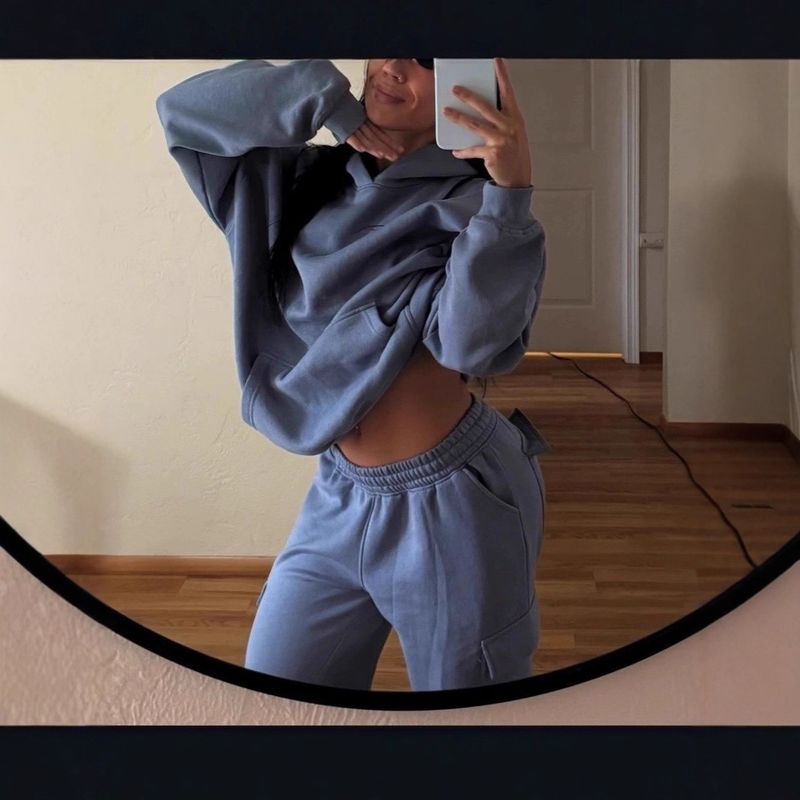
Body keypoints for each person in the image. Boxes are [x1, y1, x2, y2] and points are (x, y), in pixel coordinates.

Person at [155, 57, 551, 692]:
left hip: (454, 505)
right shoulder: (297, 178)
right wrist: (321, 96)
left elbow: (472, 347)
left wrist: (512, 194)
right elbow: (184, 112)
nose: (392, 66)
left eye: (425, 59)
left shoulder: (475, 204)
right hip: (338, 493)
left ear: (473, 80)